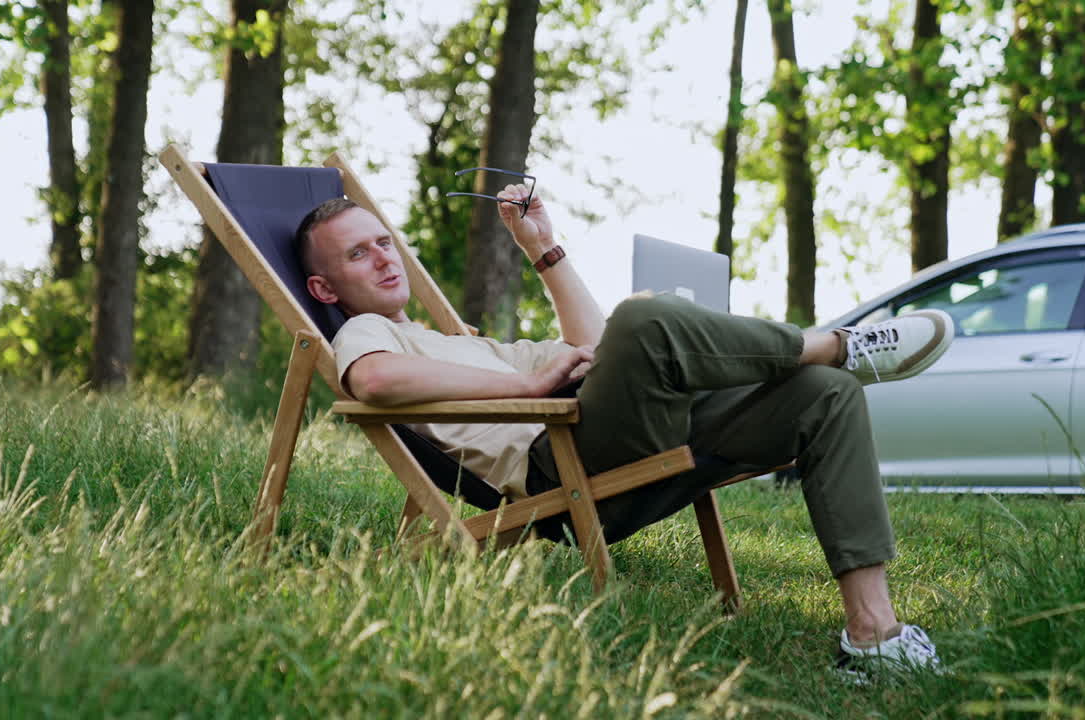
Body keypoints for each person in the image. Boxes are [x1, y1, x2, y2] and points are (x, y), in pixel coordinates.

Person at [294, 184, 954, 681]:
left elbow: (590, 343)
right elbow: (375, 384)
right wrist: (528, 386)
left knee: (823, 395)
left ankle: (873, 634)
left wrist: (541, 247)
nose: (384, 258)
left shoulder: (454, 341)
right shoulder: (364, 333)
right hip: (564, 465)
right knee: (644, 318)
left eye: (384, 241)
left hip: (612, 435)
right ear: (325, 287)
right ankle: (836, 343)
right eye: (358, 253)